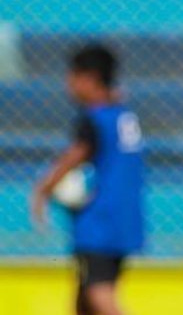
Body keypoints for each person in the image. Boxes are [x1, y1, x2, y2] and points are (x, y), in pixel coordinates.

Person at [32, 43, 145, 315]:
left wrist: (43, 189)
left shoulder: (93, 119)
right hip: (126, 219)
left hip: (100, 223)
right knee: (84, 299)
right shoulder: (122, 114)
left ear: (89, 79)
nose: (68, 85)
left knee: (99, 292)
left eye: (72, 77)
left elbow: (76, 155)